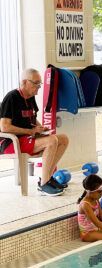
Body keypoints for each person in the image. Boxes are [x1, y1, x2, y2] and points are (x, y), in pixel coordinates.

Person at [0, 68, 69, 196]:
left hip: (26, 138)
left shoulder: (31, 97)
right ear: (25, 82)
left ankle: (47, 177)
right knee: (52, 141)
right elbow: (4, 127)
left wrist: (41, 128)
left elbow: (32, 118)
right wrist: (30, 131)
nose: (39, 87)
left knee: (63, 139)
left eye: (40, 84)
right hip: (10, 142)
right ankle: (44, 184)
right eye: (36, 83)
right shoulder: (11, 98)